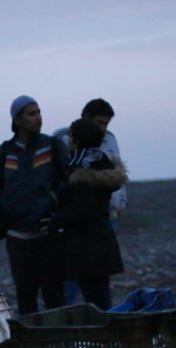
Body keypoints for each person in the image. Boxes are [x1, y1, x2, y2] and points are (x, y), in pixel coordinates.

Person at [0, 95, 69, 316]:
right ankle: (32, 347)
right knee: (26, 299)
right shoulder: (3, 153)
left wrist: (52, 202)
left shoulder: (53, 146)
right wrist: (6, 206)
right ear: (17, 120)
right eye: (31, 113)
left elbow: (67, 181)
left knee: (55, 299)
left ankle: (60, 345)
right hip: (17, 238)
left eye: (39, 112)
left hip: (48, 235)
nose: (38, 117)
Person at [53, 98, 128, 305]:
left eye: (106, 123)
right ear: (85, 117)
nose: (102, 128)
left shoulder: (109, 140)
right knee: (73, 283)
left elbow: (114, 172)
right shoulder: (62, 137)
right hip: (74, 224)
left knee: (96, 284)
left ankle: (94, 327)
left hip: (99, 217)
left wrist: (120, 202)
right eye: (99, 122)